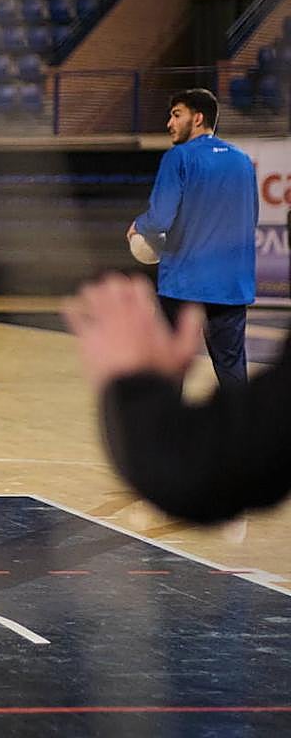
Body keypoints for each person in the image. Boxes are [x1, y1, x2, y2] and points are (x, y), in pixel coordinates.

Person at [63, 273, 291, 524]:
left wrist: (132, 385)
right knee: (230, 362)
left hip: (185, 284)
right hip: (232, 285)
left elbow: (189, 470)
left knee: (180, 359)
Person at [128, 88, 257, 391]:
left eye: (176, 115)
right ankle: (243, 423)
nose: (169, 123)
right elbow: (250, 219)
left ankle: (170, 423)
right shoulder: (243, 161)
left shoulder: (179, 157)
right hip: (231, 285)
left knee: (170, 368)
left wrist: (138, 226)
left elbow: (160, 219)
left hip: (184, 283)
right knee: (232, 372)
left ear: (197, 118)